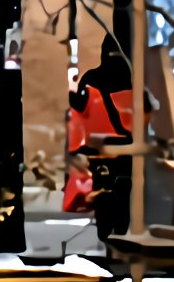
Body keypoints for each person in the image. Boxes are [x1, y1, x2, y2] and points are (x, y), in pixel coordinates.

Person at [57, 43, 137, 215]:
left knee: (101, 179)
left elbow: (78, 105)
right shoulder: (133, 78)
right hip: (126, 144)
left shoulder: (92, 77)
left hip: (96, 144)